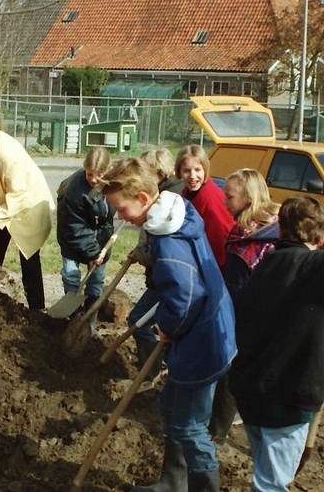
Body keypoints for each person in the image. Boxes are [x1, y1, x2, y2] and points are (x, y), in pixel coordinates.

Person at [101, 157, 236, 492]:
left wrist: (168, 327)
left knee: (190, 426)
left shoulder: (169, 242)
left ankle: (203, 488)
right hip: (202, 331)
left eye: (121, 208)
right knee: (173, 408)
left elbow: (187, 297)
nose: (120, 216)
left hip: (203, 341)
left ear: (143, 198)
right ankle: (173, 482)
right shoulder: (175, 213)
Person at [229, 196, 324, 492]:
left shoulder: (265, 264)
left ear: (280, 230)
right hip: (287, 397)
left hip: (249, 389)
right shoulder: (314, 268)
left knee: (265, 475)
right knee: (270, 485)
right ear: (319, 235)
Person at [209, 169, 280, 443]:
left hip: (249, 316)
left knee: (231, 370)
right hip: (276, 314)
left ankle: (217, 431)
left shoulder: (245, 238)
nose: (224, 201)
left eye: (230, 196)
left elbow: (236, 291)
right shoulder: (277, 225)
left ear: (248, 198)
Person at [0, 100, 53, 311]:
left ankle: (37, 309)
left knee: (29, 257)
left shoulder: (8, 152)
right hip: (2, 197)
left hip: (27, 202)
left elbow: (18, 193)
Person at [125, 147, 184, 390]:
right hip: (162, 277)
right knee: (151, 322)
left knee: (137, 320)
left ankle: (149, 375)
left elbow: (160, 245)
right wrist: (139, 251)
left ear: (158, 172)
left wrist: (143, 254)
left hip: (167, 278)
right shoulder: (164, 193)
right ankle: (156, 371)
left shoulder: (167, 198)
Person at [56, 147, 115, 319]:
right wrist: (92, 252)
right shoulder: (73, 191)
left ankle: (89, 323)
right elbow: (75, 227)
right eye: (90, 174)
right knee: (71, 276)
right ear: (85, 167)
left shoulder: (111, 184)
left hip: (99, 240)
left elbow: (106, 222)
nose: (94, 180)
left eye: (99, 175)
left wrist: (101, 252)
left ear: (108, 170)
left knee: (96, 278)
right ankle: (73, 319)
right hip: (71, 237)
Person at [175, 145, 234, 273]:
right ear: (179, 172)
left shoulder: (208, 197)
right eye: (186, 170)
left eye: (197, 170)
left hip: (217, 263)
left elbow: (219, 238)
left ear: (205, 170)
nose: (192, 175)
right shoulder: (188, 191)